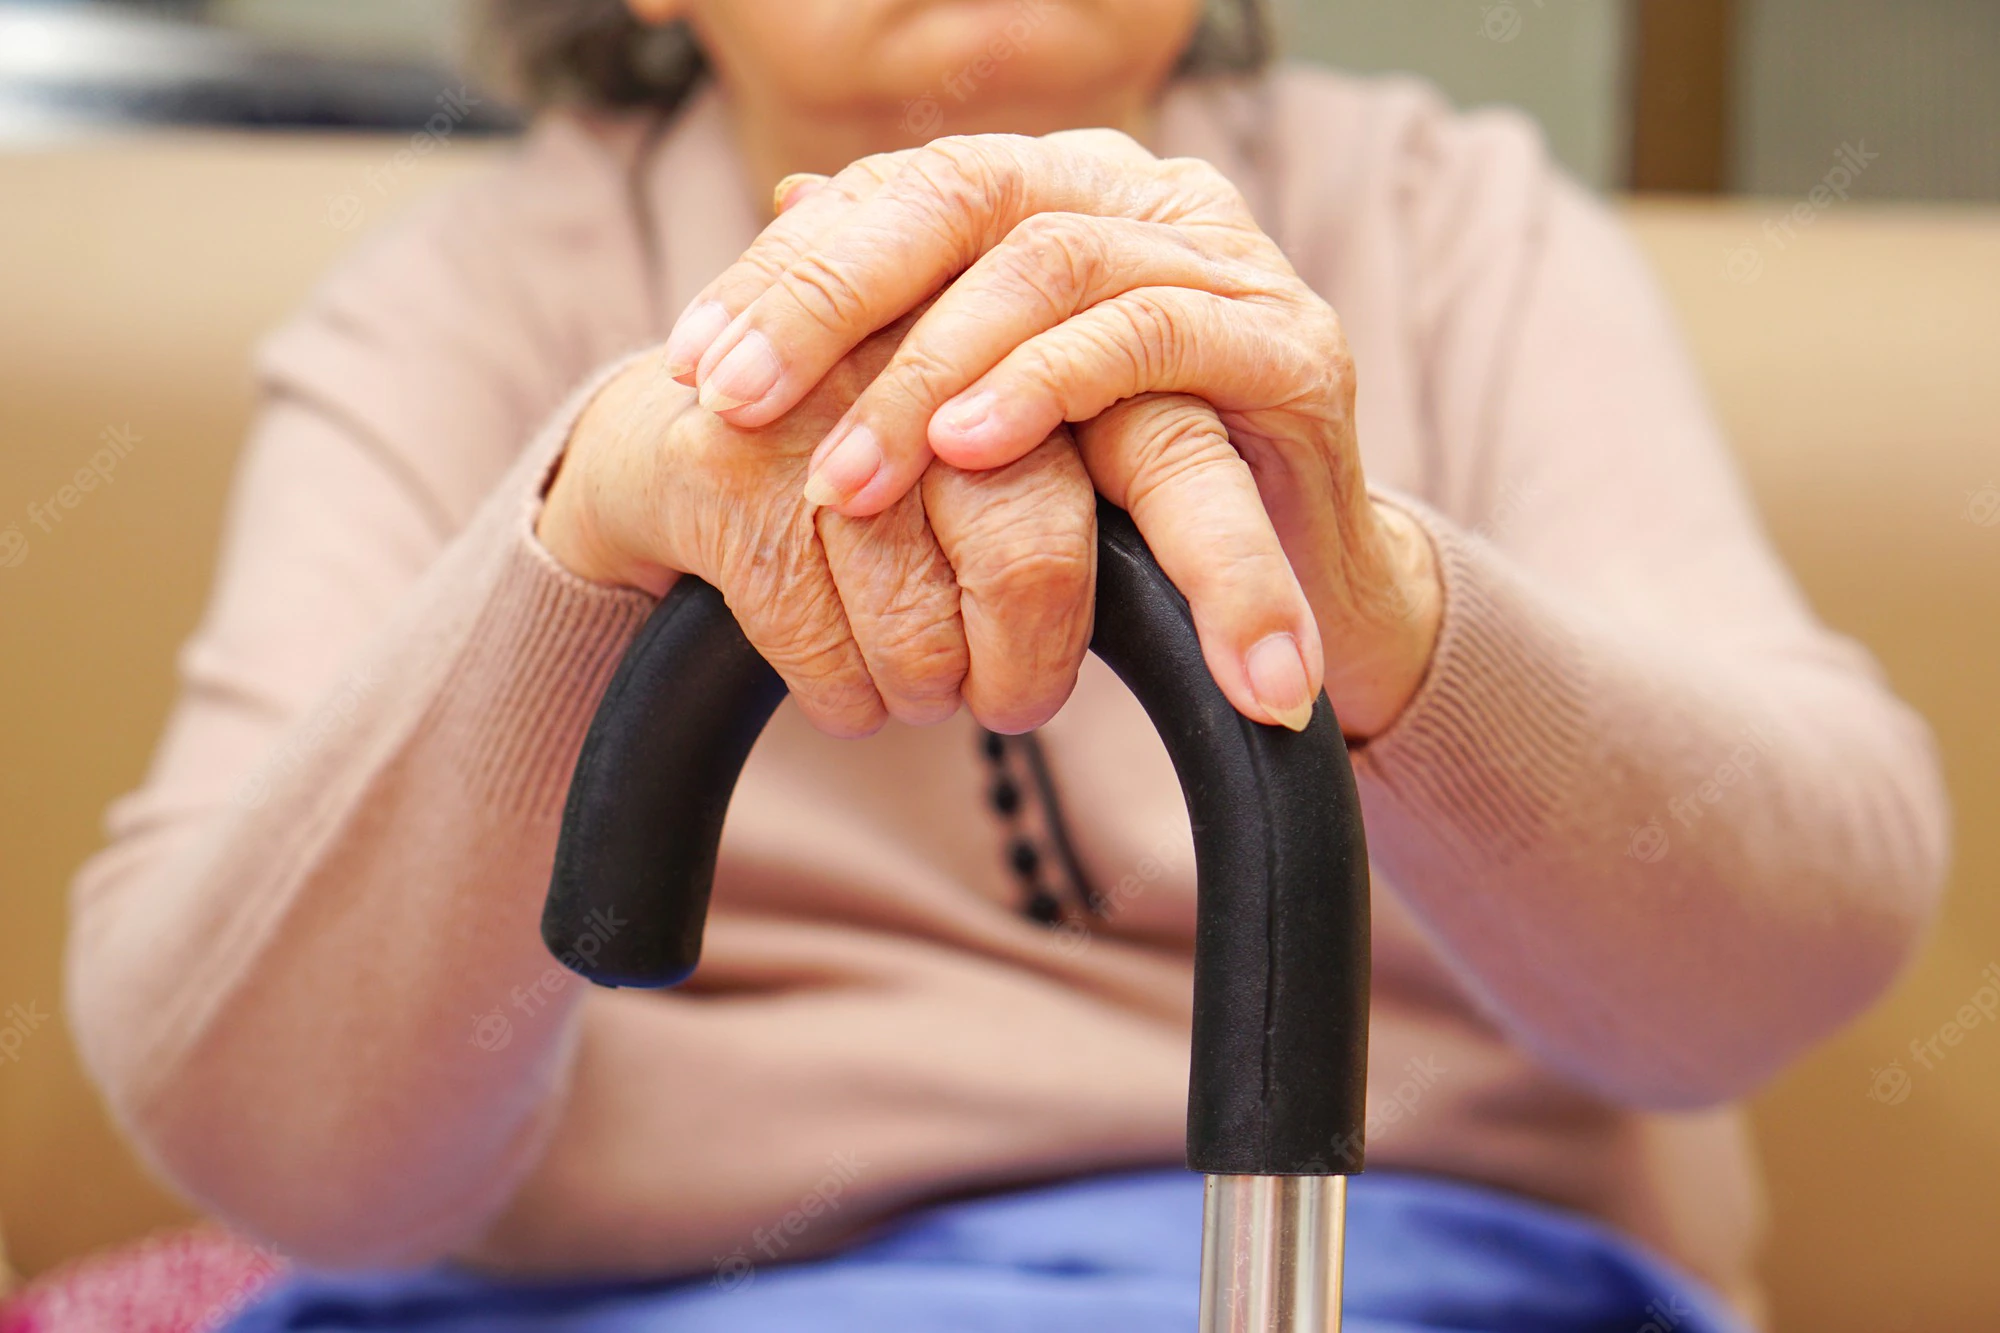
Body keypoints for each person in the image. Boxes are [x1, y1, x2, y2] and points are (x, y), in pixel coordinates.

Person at [66, 1, 1949, 1329]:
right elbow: (275, 1148)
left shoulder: (1459, 232)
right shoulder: (444, 311)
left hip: (1386, 1270)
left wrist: (1376, 603)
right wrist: (580, 547)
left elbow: (1775, 972)